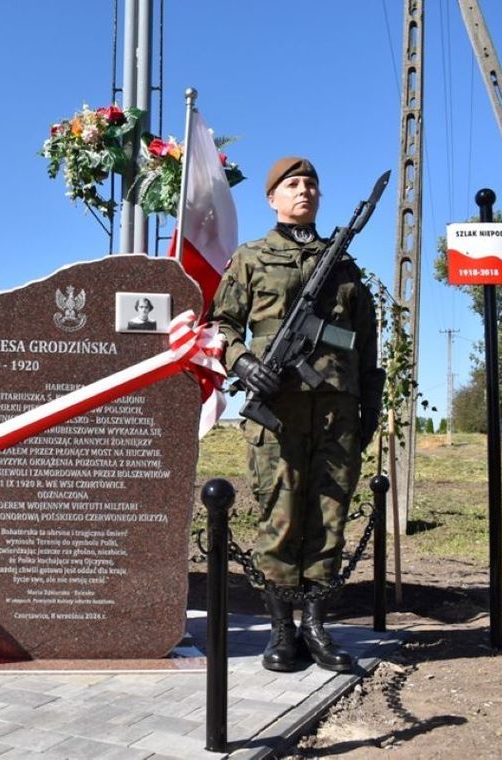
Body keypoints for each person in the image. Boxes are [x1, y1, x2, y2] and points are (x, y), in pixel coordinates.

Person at [210, 157, 384, 673]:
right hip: (277, 413)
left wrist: (367, 416)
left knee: (328, 519)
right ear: (273, 199)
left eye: (311, 183)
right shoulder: (252, 258)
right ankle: (282, 631)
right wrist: (244, 363)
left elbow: (367, 350)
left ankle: (316, 625)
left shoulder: (346, 267)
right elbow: (221, 325)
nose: (304, 190)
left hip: (336, 414)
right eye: (292, 184)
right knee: (280, 516)